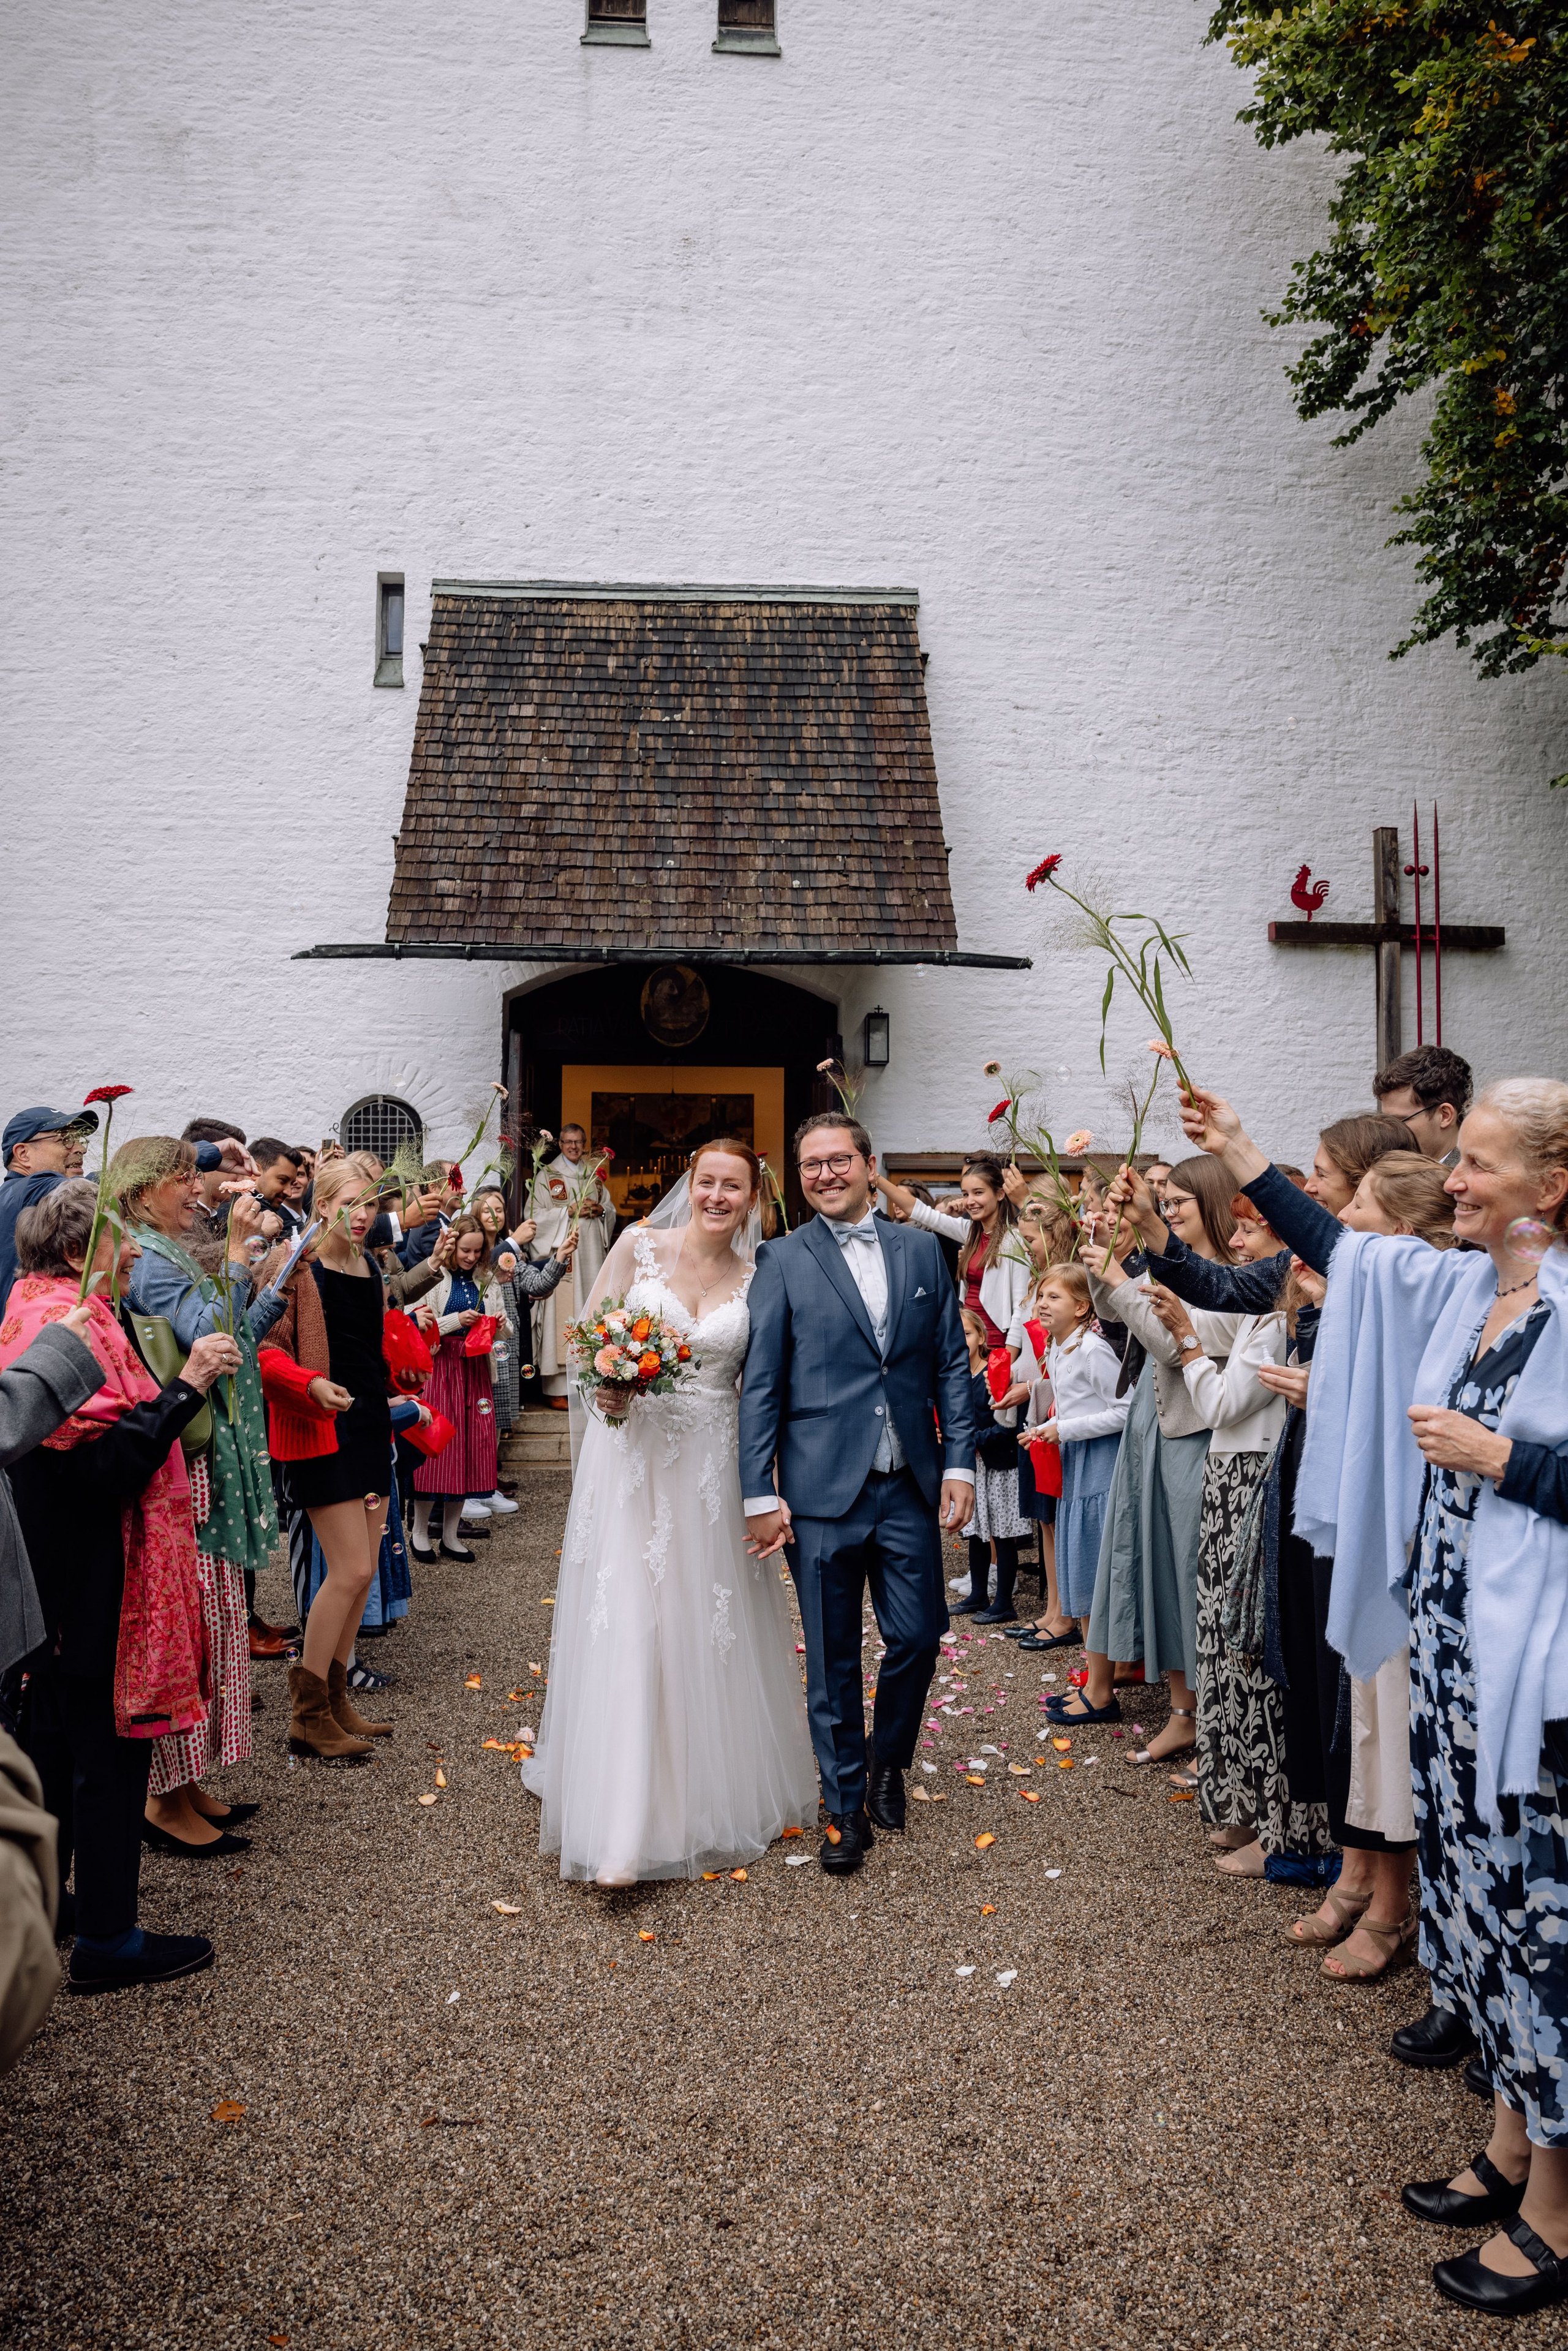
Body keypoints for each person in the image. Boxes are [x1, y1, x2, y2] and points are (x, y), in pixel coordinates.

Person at [1185, 1077, 1568, 2315]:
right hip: (1456, 1655)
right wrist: (1237, 1148)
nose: (1447, 1177)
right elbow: (1344, 1250)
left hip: (1535, 1677)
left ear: (1546, 1189)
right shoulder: (1467, 1286)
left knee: (1543, 1920)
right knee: (1480, 1906)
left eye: (1473, 1164)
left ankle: (1555, 2213)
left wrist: (1502, 1455)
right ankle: (1510, 2144)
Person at [522, 1140, 819, 1884]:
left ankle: (696, 1797)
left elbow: (767, 1386)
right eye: (706, 1181)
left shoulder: (764, 1273)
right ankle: (622, 1824)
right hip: (635, 1464)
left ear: (753, 1198)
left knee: (697, 1624)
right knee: (633, 1619)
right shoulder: (638, 1246)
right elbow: (590, 1341)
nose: (717, 1196)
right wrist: (609, 1389)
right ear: (690, 1184)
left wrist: (769, 1486)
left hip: (714, 1469)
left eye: (734, 1187)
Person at [4, 1180, 239, 1993]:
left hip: (62, 1579)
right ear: (77, 1253)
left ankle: (49, 1910)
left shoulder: (45, 1303)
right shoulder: (58, 1323)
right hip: (93, 1578)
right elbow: (98, 1469)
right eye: (122, 1238)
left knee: (57, 1747)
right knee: (104, 1755)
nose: (136, 1249)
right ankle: (107, 1937)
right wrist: (188, 1388)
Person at [740, 1115, 976, 1874]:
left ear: (870, 1166)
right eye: (810, 1165)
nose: (825, 1174)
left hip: (908, 1481)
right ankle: (843, 1810)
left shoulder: (920, 1251)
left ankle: (885, 1759)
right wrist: (757, 1488)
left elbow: (948, 1365)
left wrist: (961, 1464)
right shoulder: (779, 1257)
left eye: (839, 1160)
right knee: (833, 1657)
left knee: (917, 1635)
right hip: (818, 1489)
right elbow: (763, 1383)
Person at [117, 1135, 282, 1852]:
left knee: (210, 1624)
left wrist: (262, 1286)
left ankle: (186, 1783)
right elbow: (208, 1337)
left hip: (204, 1454)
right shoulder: (149, 1260)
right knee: (191, 1628)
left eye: (194, 1177)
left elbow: (236, 1334)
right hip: (183, 1458)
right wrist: (242, 1259)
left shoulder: (169, 1250)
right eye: (182, 1180)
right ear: (140, 1191)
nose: (198, 1190)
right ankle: (162, 1801)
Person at [1052, 1156, 1240, 1737]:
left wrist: (1116, 1275)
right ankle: (1182, 1711)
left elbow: (1170, 1346)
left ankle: (1199, 1716)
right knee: (1155, 1561)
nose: (1170, 1211)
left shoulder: (1230, 1272)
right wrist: (1107, 1268)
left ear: (1212, 1204)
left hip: (1193, 1429)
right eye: (1168, 1202)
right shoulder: (1176, 1265)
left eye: (1179, 1202)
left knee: (1185, 1568)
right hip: (1150, 1420)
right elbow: (1123, 1320)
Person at [255, 1158, 398, 1763]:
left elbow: (371, 1344)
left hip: (369, 1426)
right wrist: (308, 1385)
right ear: (320, 1204)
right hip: (320, 1430)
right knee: (345, 1571)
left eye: (370, 1202)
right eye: (350, 1201)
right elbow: (259, 1348)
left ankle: (335, 1700)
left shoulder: (369, 1263)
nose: (362, 1212)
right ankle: (307, 1716)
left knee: (364, 1573)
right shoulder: (293, 1263)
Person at [875, 1152, 1030, 1615]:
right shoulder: (973, 1234)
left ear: (1002, 1193)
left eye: (978, 1193)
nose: (970, 1201)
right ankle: (982, 1582)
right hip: (972, 1350)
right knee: (975, 1467)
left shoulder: (1019, 1239)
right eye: (965, 1194)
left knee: (996, 1464)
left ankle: (1003, 1586)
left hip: (1002, 1352)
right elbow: (919, 1212)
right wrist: (877, 1178)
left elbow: (1023, 1303)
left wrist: (1012, 1358)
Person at [956, 1307, 1032, 1625]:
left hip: (999, 1464)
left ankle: (1003, 1602)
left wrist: (974, 1438)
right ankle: (977, 1594)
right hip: (974, 1465)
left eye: (967, 1333)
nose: (961, 1340)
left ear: (982, 1338)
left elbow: (1008, 1425)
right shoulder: (955, 1377)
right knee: (974, 1531)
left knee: (1002, 1532)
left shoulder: (995, 1373)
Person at [530, 1126, 612, 1405]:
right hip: (565, 1261)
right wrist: (567, 1211)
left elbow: (609, 1210)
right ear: (561, 1144)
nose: (573, 1147)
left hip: (591, 1262)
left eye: (578, 1142)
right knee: (564, 1316)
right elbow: (534, 1218)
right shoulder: (547, 1177)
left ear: (584, 1145)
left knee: (591, 1314)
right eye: (568, 1142)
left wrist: (600, 1211)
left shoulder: (595, 1175)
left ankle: (590, 1386)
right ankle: (557, 1391)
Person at [0, 1106, 99, 1314]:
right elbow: (90, 1191)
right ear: (23, 1154)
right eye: (65, 1139)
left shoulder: (11, 1195)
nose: (81, 1148)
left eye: (79, 1139)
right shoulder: (32, 1188)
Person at [1373, 1043, 1474, 1164]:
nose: (1389, 1133)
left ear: (1445, 1115)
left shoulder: (1469, 1178)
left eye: (1400, 1121)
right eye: (1386, 1120)